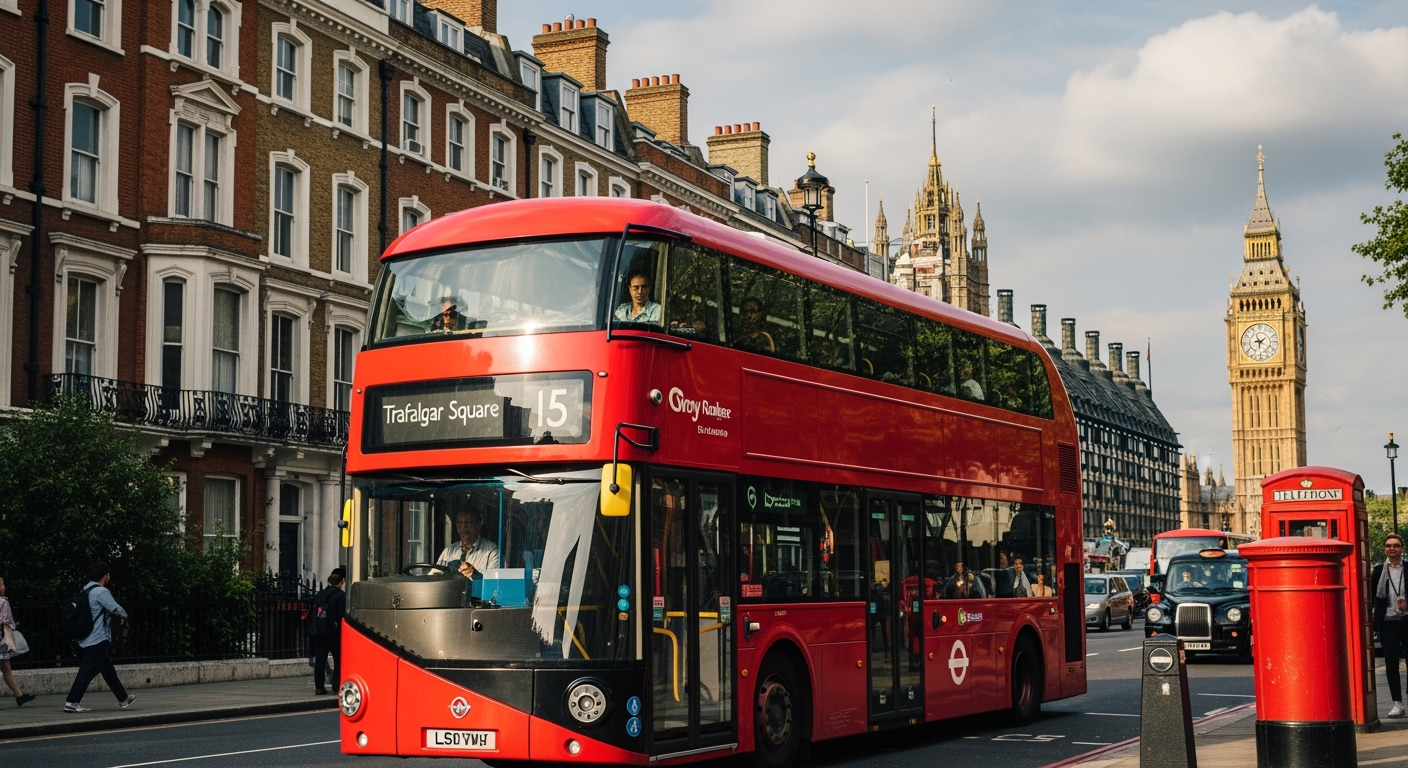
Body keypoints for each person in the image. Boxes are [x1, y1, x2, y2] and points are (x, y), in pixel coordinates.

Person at [64, 562, 136, 713]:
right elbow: (117, 609)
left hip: (86, 636)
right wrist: (125, 616)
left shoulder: (85, 589)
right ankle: (72, 701)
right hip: (97, 637)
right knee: (86, 671)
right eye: (108, 574)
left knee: (108, 670)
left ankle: (123, 698)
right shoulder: (101, 592)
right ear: (105, 576)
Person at [1373, 533, 1407, 718]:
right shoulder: (1378, 570)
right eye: (1388, 545)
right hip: (1387, 623)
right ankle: (1397, 703)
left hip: (1407, 620)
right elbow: (1371, 597)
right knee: (1391, 663)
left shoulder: (1407, 568)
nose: (1391, 548)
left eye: (1395, 545)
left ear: (1401, 548)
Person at [435, 509, 501, 579]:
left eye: (468, 523)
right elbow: (435, 576)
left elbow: (493, 584)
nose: (463, 527)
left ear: (478, 525)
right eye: (459, 523)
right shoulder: (449, 551)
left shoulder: (491, 551)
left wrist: (475, 575)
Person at [0, 577, 35, 707]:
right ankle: (19, 696)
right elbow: (5, 621)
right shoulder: (3, 602)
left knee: (6, 666)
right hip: (1, 638)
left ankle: (19, 695)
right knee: (5, 666)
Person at [311, 571, 347, 696]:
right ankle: (337, 685)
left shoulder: (320, 594)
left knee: (320, 660)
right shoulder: (341, 596)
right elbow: (342, 616)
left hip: (319, 631)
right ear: (341, 582)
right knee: (339, 660)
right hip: (334, 632)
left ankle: (319, 687)